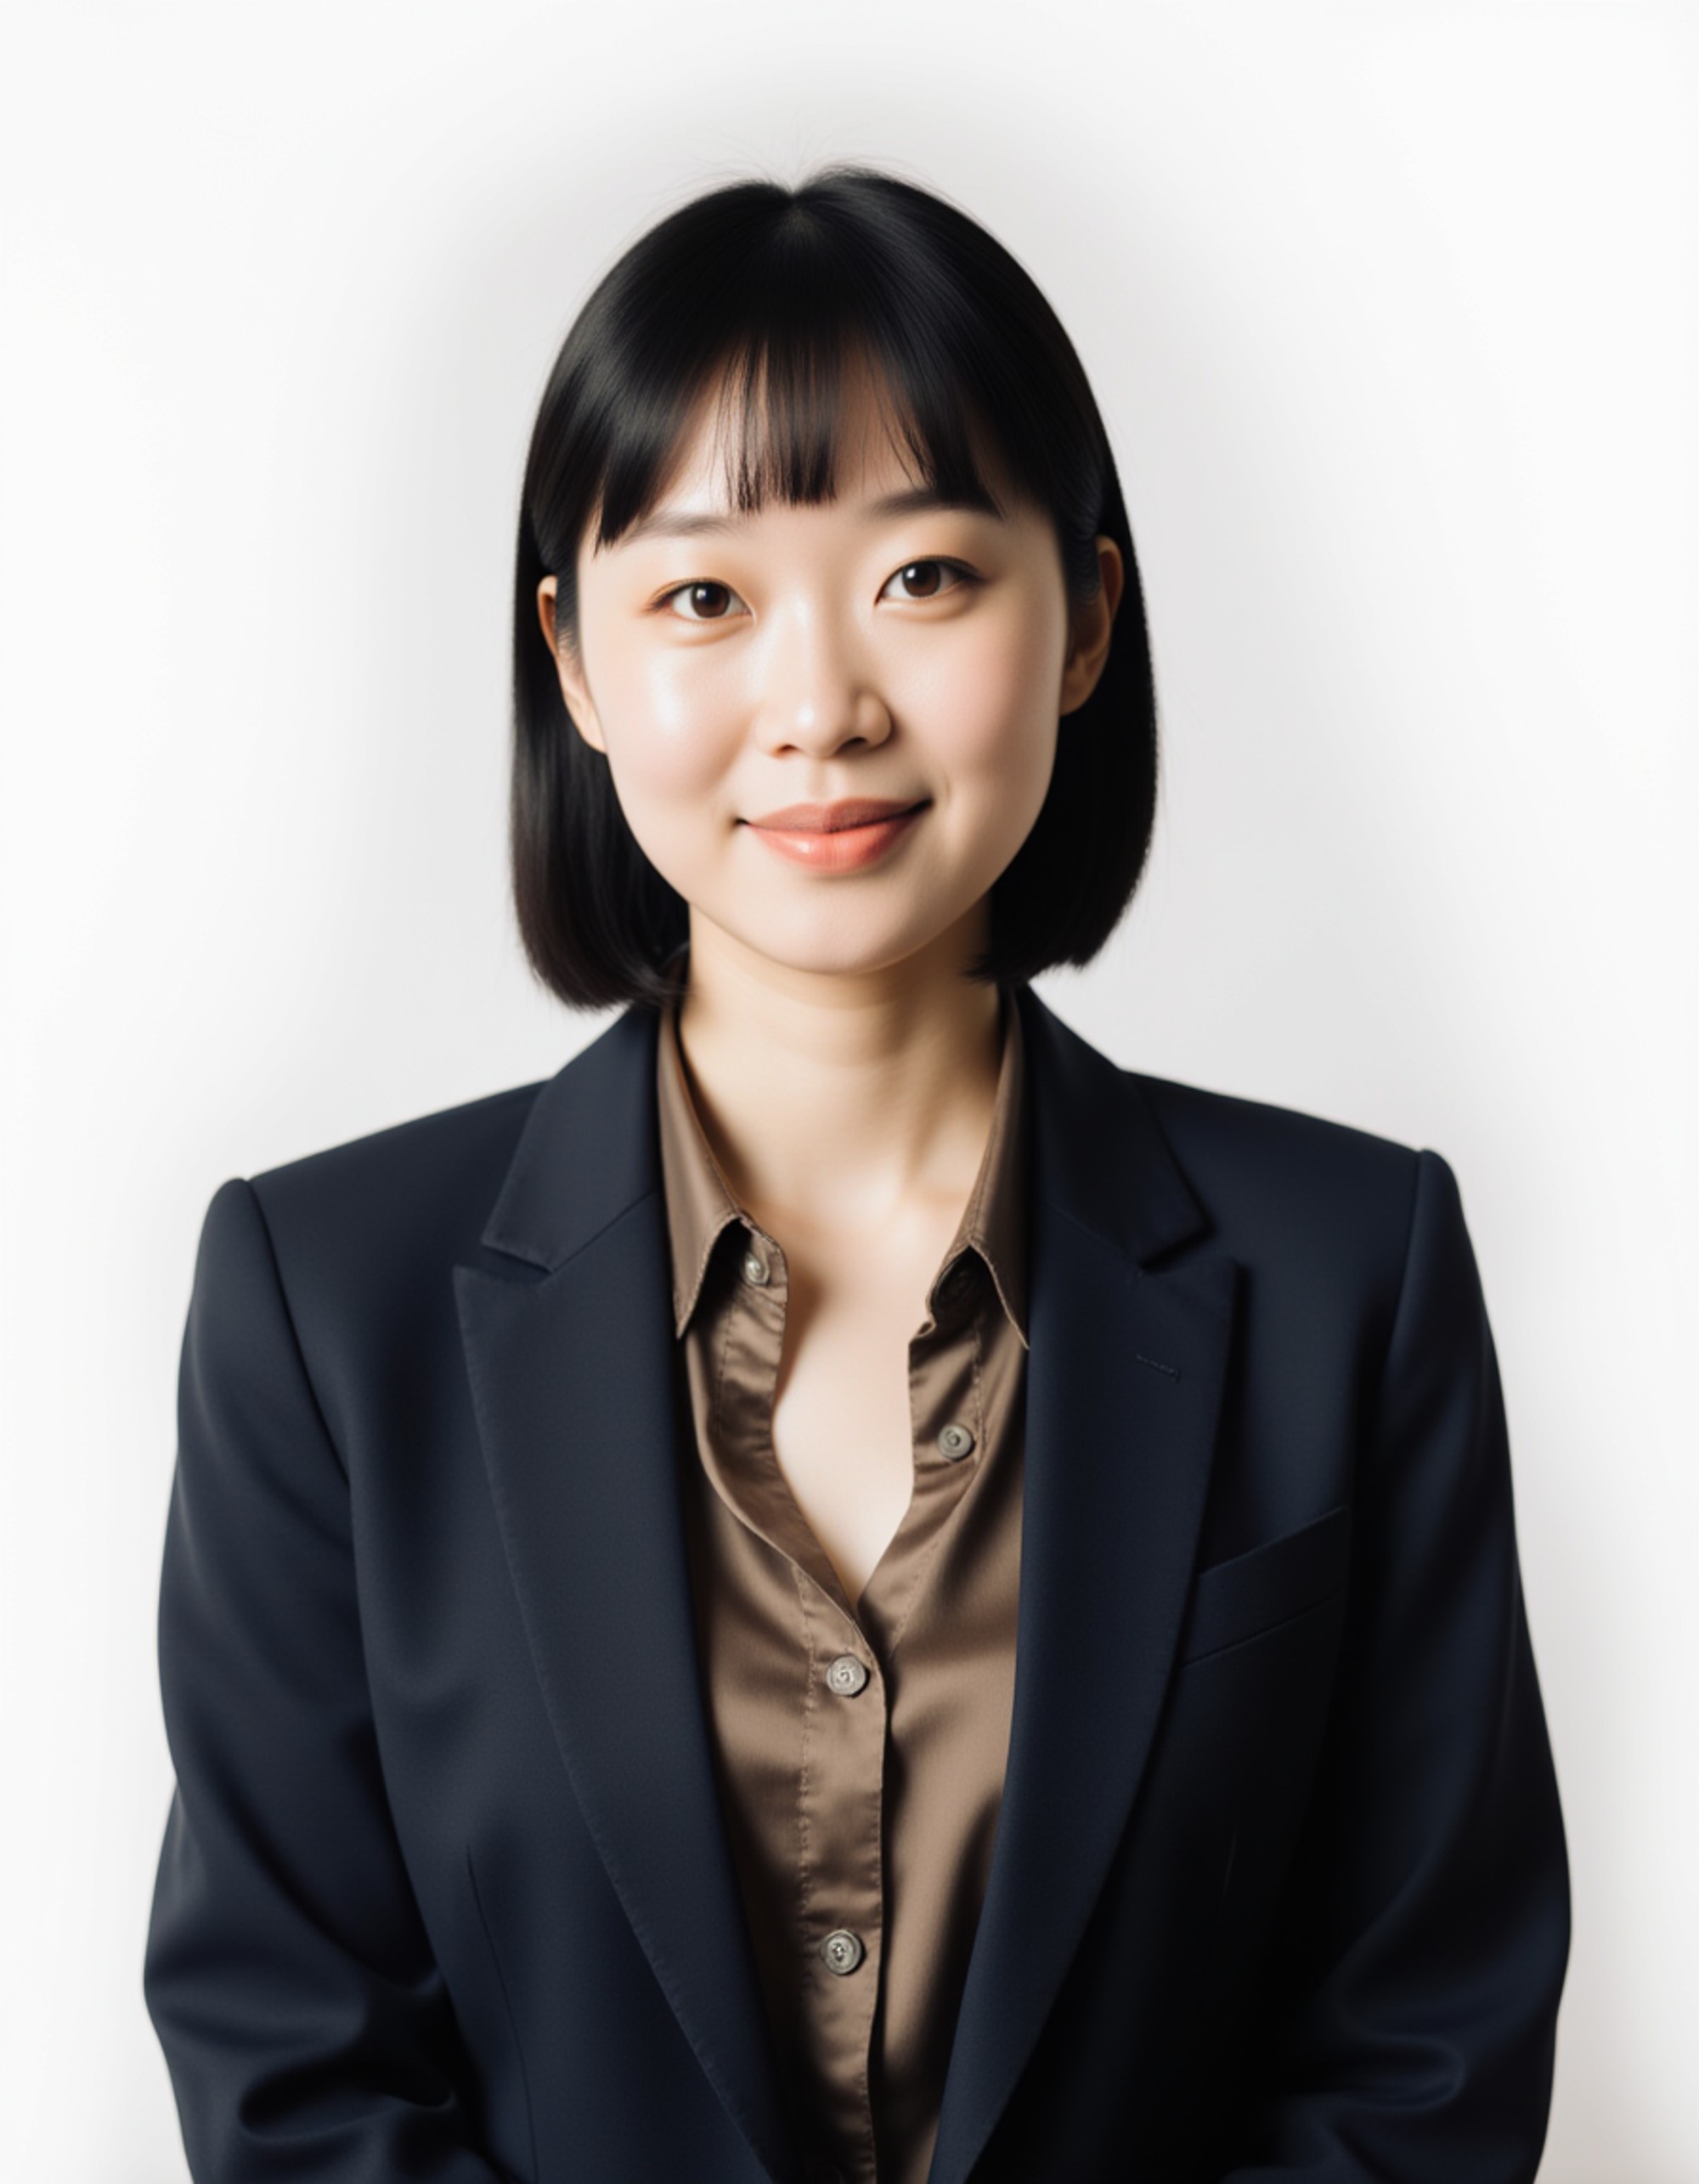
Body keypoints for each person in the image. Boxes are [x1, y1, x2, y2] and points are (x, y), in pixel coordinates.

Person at [143, 166, 1570, 2184]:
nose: (821, 705)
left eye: (923, 574)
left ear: (1084, 617)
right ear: (574, 659)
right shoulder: (320, 1304)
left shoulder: (1353, 1272)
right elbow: (294, 2065)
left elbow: (1422, 2047)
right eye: (703, 597)